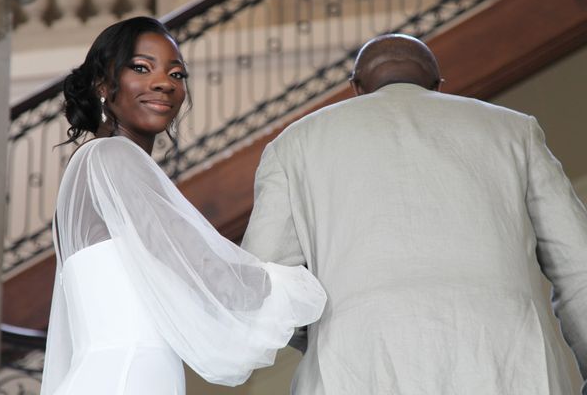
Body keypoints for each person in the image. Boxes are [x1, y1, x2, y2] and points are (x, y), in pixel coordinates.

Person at [241, 33, 587, 394]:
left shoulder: (294, 144)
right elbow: (578, 266)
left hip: (357, 365)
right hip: (508, 363)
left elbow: (262, 287)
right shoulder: (515, 131)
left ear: (356, 88)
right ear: (438, 86)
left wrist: (322, 332)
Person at [40, 16, 326, 395]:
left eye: (177, 74)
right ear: (103, 85)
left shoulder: (94, 163)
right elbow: (202, 268)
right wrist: (306, 284)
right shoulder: (113, 158)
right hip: (128, 377)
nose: (164, 83)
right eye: (141, 67)